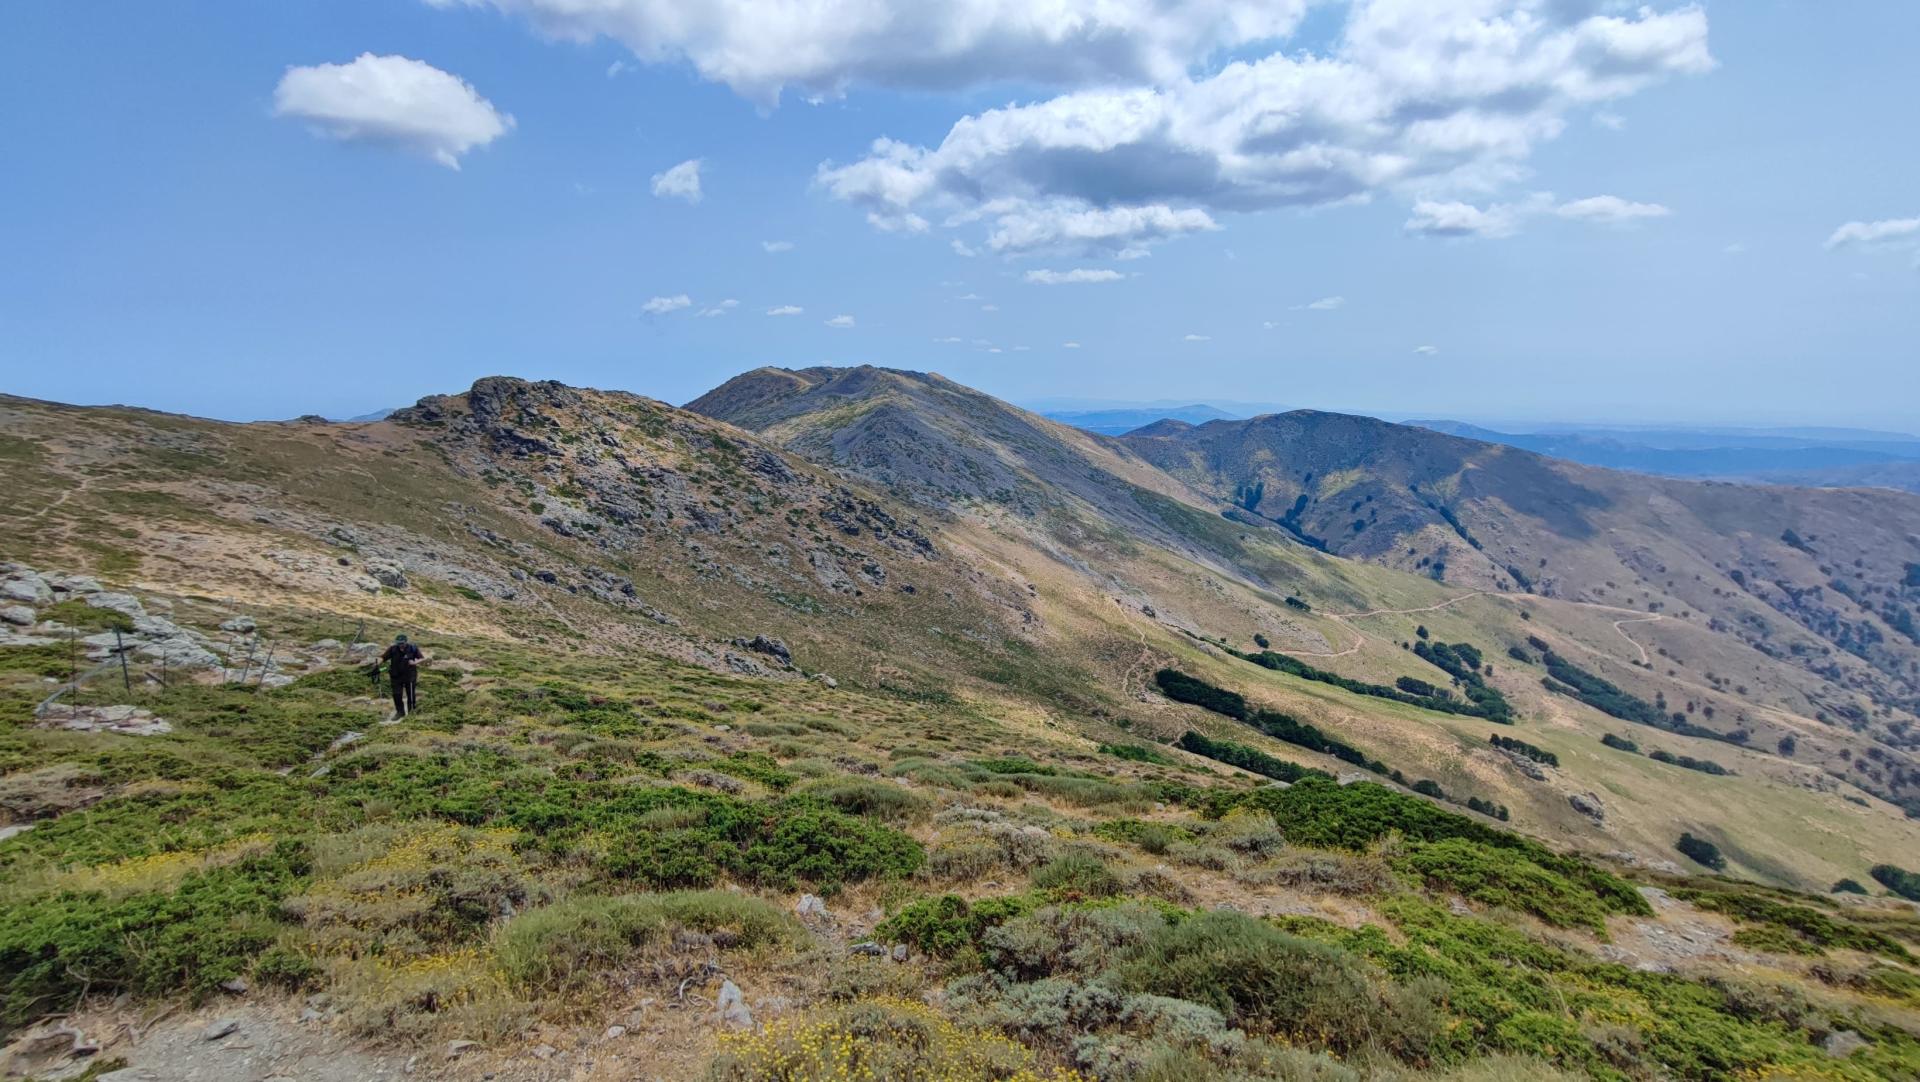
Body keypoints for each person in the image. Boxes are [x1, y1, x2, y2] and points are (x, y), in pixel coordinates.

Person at [371, 633, 424, 719]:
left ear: (406, 642)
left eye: (402, 643)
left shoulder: (412, 648)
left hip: (410, 675)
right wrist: (377, 664)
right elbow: (383, 658)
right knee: (397, 694)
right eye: (398, 643)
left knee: (410, 694)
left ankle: (411, 712)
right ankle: (400, 712)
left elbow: (422, 658)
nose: (400, 645)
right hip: (396, 676)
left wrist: (415, 662)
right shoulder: (393, 649)